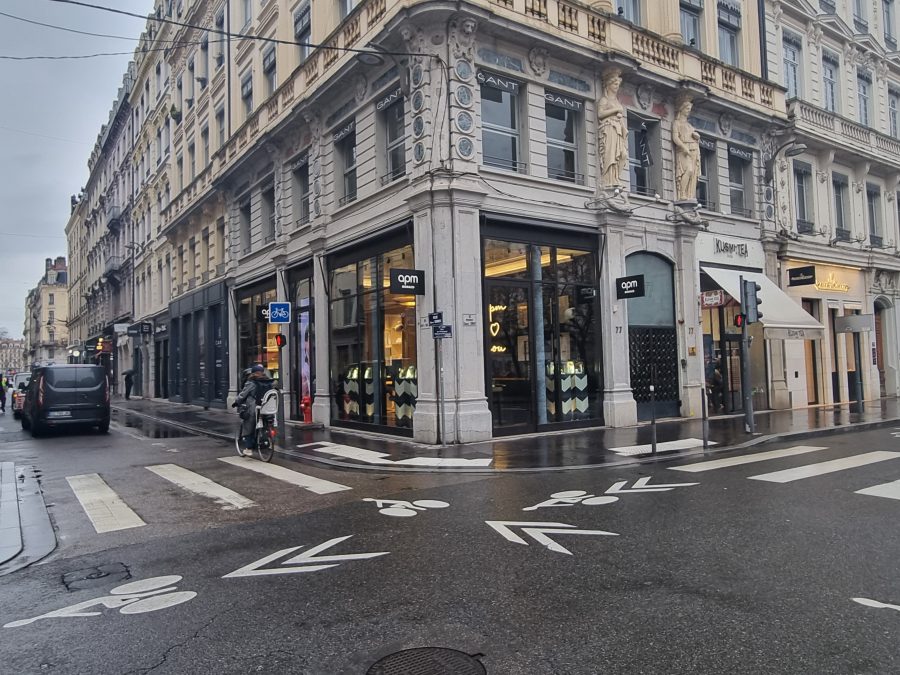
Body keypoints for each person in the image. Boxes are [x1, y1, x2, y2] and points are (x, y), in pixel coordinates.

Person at [232, 364, 274, 455]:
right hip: (266, 408)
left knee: (248, 426)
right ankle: (269, 442)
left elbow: (243, 394)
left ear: (253, 373)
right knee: (265, 424)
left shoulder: (251, 382)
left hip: (254, 408)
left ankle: (249, 448)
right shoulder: (269, 381)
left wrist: (236, 402)